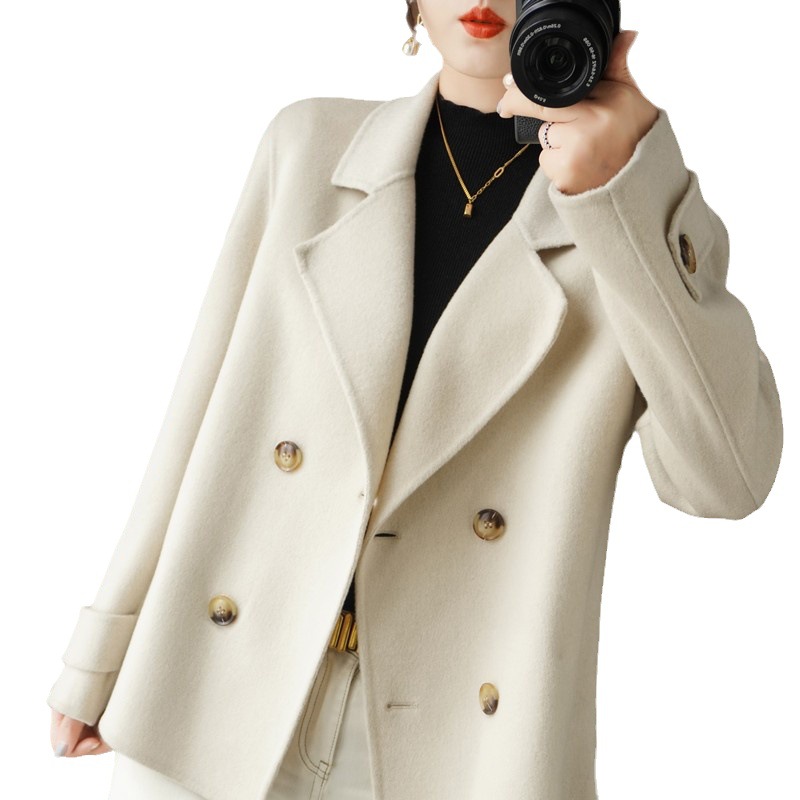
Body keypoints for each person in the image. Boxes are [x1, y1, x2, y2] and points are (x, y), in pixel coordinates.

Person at [47, 1, 783, 798]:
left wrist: (627, 187)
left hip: (464, 747)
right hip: (213, 687)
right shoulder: (308, 146)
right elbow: (199, 414)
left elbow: (726, 481)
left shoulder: (632, 215)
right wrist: (106, 646)